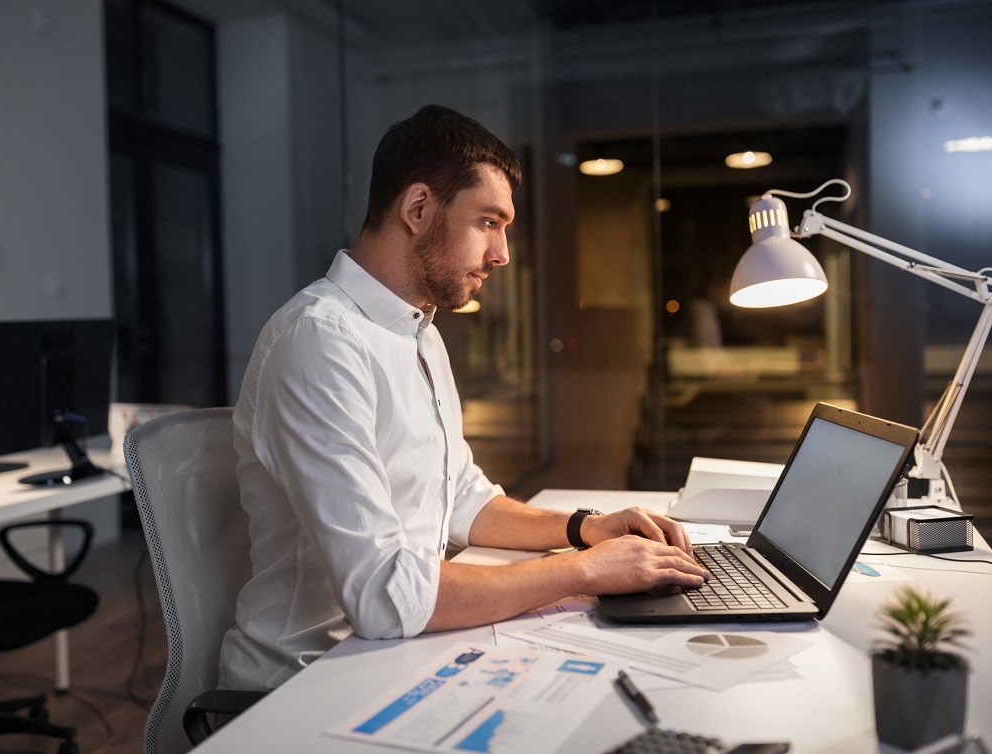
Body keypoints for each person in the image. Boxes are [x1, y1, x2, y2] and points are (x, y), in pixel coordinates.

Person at [217, 105, 708, 691]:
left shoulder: (416, 332)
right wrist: (584, 571)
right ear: (418, 209)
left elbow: (461, 500)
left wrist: (586, 529)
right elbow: (385, 595)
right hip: (305, 684)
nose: (502, 254)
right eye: (488, 222)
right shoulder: (319, 340)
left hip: (391, 657)